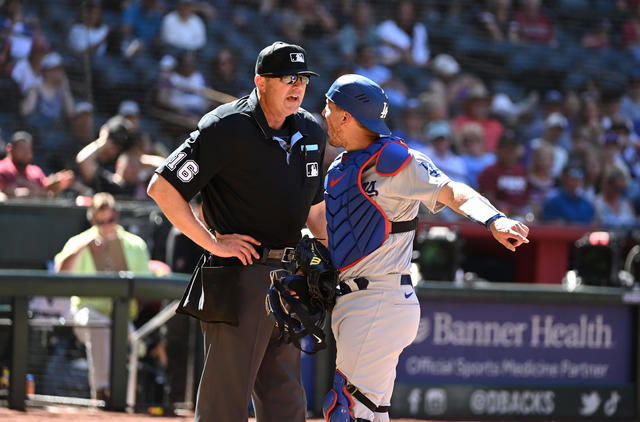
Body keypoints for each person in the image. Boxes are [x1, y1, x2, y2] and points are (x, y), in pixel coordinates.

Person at [320, 74, 529, 422]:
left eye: (328, 106)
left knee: (347, 410)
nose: (322, 113)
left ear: (346, 115)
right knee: (370, 411)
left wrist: (494, 219)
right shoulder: (340, 168)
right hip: (356, 301)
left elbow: (452, 190)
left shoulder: (395, 160)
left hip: (380, 299)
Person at [147, 41, 327, 421]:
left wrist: (330, 255)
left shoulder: (311, 130)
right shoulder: (225, 126)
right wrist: (212, 242)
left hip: (290, 277)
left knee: (286, 401)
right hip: (241, 275)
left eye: (304, 79)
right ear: (261, 81)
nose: (298, 86)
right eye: (288, 78)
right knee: (225, 404)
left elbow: (316, 212)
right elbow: (161, 189)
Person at [54, 192, 151, 400]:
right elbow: (60, 273)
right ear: (93, 220)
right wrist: (85, 245)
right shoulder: (80, 241)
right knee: (98, 325)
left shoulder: (135, 244)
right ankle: (101, 392)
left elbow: (146, 290)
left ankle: (127, 399)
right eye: (101, 221)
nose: (106, 226)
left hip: (123, 318)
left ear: (116, 215)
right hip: (85, 313)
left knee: (131, 337)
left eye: (110, 220)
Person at [0, 130, 74, 198]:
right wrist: (33, 192)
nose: (26, 153)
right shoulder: (2, 168)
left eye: (28, 149)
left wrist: (57, 182)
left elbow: (45, 189)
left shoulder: (35, 171)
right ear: (10, 149)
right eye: (21, 149)